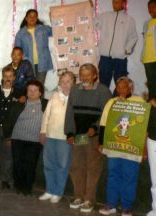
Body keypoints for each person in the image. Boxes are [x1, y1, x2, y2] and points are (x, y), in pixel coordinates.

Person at [64, 63, 112, 213]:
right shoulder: (74, 90)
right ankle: (78, 196)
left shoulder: (104, 91)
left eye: (87, 74)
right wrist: (70, 133)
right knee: (76, 166)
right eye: (82, 74)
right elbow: (69, 113)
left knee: (93, 168)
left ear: (95, 75)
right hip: (78, 136)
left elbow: (107, 114)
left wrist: (95, 128)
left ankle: (89, 199)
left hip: (93, 137)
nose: (84, 77)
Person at [98, 77, 146, 216]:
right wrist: (101, 142)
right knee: (113, 174)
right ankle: (111, 204)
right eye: (118, 87)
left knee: (130, 176)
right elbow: (104, 123)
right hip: (114, 146)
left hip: (132, 147)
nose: (120, 90)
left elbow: (143, 127)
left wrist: (143, 147)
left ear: (131, 88)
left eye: (124, 87)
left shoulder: (140, 102)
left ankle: (127, 207)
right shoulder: (111, 102)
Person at [3, 80, 48, 195]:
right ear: (26, 92)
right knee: (18, 164)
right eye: (30, 90)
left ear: (40, 93)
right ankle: (18, 186)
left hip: (35, 140)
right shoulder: (19, 104)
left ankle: (27, 188)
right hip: (17, 138)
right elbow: (9, 120)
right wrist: (8, 137)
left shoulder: (46, 105)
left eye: (35, 90)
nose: (32, 93)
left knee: (31, 165)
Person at [39, 71, 76, 203]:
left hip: (65, 138)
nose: (65, 84)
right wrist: (43, 131)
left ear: (73, 83)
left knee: (62, 165)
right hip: (50, 136)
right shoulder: (54, 96)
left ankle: (57, 192)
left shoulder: (75, 97)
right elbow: (46, 115)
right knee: (48, 164)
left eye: (68, 81)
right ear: (59, 83)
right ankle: (49, 190)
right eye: (63, 81)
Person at [95, 0, 138, 90]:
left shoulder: (129, 20)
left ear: (123, 3)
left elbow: (133, 37)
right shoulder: (104, 16)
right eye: (113, 2)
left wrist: (127, 49)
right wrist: (90, 8)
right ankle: (105, 103)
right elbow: (93, 24)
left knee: (122, 86)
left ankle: (118, 103)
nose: (114, 5)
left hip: (120, 59)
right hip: (105, 58)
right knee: (103, 85)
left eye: (117, 2)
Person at [15, 9, 53, 84]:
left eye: (34, 16)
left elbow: (57, 31)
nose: (32, 18)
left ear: (37, 18)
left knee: (39, 86)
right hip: (28, 64)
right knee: (30, 86)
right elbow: (18, 49)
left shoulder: (43, 29)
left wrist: (53, 18)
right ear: (26, 18)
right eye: (30, 16)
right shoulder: (21, 33)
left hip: (43, 63)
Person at [142, 0, 156, 101]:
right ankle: (152, 111)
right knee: (151, 85)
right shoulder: (146, 23)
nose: (150, 10)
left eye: (153, 7)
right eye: (149, 7)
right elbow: (145, 41)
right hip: (148, 59)